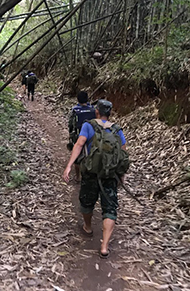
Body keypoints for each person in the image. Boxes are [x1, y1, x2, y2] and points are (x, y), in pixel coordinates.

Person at [63, 99, 127, 259]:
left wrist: (69, 165)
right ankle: (104, 246)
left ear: (97, 111)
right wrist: (122, 176)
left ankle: (88, 227)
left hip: (90, 172)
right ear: (109, 113)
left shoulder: (88, 125)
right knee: (110, 208)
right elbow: (123, 154)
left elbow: (79, 144)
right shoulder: (116, 130)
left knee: (86, 201)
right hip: (110, 174)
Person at [67, 91, 96, 182]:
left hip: (79, 134)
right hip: (92, 135)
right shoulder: (93, 109)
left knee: (77, 154)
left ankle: (77, 176)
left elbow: (71, 124)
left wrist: (70, 133)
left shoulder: (75, 110)